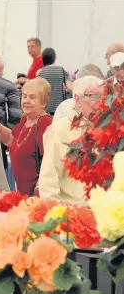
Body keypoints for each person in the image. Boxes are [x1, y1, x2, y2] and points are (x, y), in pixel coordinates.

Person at [38, 76, 104, 204]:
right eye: (94, 96)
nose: (101, 102)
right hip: (74, 214)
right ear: (77, 100)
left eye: (103, 97)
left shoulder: (108, 127)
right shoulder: (59, 130)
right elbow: (48, 180)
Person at [0, 78, 52, 196]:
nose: (26, 101)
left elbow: (49, 161)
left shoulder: (45, 123)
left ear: (44, 102)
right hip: (22, 193)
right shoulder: (25, 120)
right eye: (24, 96)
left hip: (37, 196)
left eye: (32, 97)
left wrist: (39, 189)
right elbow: (10, 139)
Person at [38, 48, 73, 116]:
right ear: (54, 58)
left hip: (45, 108)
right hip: (59, 108)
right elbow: (70, 87)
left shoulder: (41, 72)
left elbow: (37, 89)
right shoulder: (61, 70)